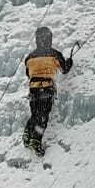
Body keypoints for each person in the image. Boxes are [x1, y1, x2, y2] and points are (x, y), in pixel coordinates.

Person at [23, 26, 74, 155]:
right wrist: (70, 61)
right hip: (46, 88)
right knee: (43, 115)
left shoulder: (29, 57)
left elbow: (28, 74)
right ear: (49, 39)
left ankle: (27, 134)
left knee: (35, 113)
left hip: (33, 89)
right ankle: (36, 140)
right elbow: (64, 69)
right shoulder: (54, 54)